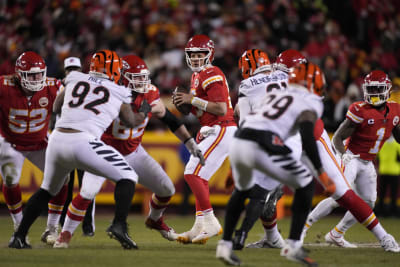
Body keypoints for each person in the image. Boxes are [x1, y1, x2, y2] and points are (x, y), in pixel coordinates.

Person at [53, 54, 204, 248]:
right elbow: (128, 118)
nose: (142, 81)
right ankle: (64, 235)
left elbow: (169, 119)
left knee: (167, 189)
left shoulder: (149, 93)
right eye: (136, 77)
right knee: (87, 192)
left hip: (133, 152)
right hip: (102, 150)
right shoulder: (110, 91)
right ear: (122, 76)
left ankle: (154, 220)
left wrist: (191, 144)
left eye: (143, 77)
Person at [8, 49, 146, 249]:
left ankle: (19, 236)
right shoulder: (118, 90)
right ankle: (119, 225)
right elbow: (131, 121)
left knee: (47, 190)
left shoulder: (74, 78)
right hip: (84, 140)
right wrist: (143, 112)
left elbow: (55, 107)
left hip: (57, 139)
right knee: (128, 176)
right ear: (115, 70)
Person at [216, 59, 336, 266]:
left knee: (242, 190)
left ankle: (224, 246)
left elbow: (248, 120)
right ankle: (293, 246)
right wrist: (322, 174)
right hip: (264, 142)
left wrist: (233, 168)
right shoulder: (310, 101)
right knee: (306, 183)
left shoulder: (275, 94)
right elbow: (307, 137)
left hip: (240, 141)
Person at [300, 70, 400, 252]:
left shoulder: (395, 110)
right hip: (351, 157)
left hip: (367, 161)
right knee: (339, 197)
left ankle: (337, 233)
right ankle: (304, 227)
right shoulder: (360, 110)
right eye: (371, 89)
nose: (374, 93)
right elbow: (337, 137)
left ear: (386, 90)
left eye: (378, 89)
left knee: (368, 202)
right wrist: (344, 154)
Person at [172, 34, 237, 244]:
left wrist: (193, 99)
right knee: (200, 177)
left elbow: (220, 108)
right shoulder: (196, 76)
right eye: (193, 54)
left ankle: (210, 221)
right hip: (213, 128)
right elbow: (199, 110)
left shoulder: (211, 72)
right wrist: (186, 104)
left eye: (201, 54)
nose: (197, 58)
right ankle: (199, 225)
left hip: (222, 128)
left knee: (191, 172)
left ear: (210, 55)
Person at [0, 51, 69, 245]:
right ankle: (19, 226)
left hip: (39, 142)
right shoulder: (4, 87)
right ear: (18, 74)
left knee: (62, 178)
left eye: (40, 74)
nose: (37, 79)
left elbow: (74, 103)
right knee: (11, 179)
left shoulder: (53, 87)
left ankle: (51, 228)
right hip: (10, 142)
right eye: (31, 75)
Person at [229, 49, 286, 250]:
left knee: (257, 193)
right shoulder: (285, 75)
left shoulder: (246, 86)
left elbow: (245, 124)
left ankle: (242, 233)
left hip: (267, 139)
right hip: (296, 136)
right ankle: (273, 239)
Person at [59, 57, 95, 237]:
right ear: (65, 71)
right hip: (64, 141)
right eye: (69, 69)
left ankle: (88, 225)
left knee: (86, 186)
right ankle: (62, 223)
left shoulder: (87, 88)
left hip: (83, 140)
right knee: (65, 186)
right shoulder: (59, 87)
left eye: (75, 69)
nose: (72, 72)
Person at [376, 135, 400, 216]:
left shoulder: (382, 144)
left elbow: (377, 157)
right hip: (395, 171)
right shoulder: (397, 144)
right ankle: (393, 212)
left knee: (382, 193)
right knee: (393, 193)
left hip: (383, 170)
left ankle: (381, 211)